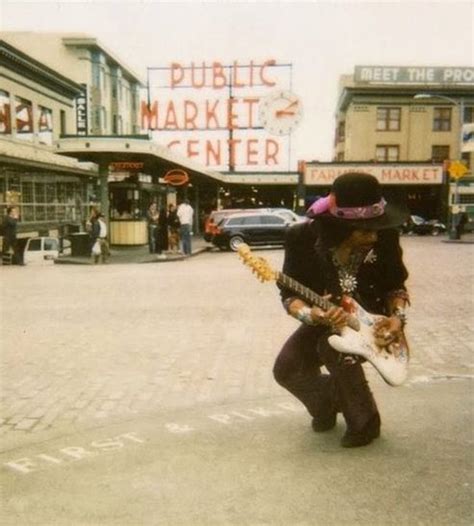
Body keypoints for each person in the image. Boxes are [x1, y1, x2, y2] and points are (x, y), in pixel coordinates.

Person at [273, 173, 410, 448]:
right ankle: (328, 404)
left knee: (331, 347)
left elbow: (395, 285)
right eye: (364, 230)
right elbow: (290, 296)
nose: (374, 236)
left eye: (377, 227)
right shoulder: (300, 238)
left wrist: (398, 319)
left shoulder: (385, 236)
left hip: (372, 323)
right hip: (325, 317)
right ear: (339, 227)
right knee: (286, 369)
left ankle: (366, 420)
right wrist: (311, 315)